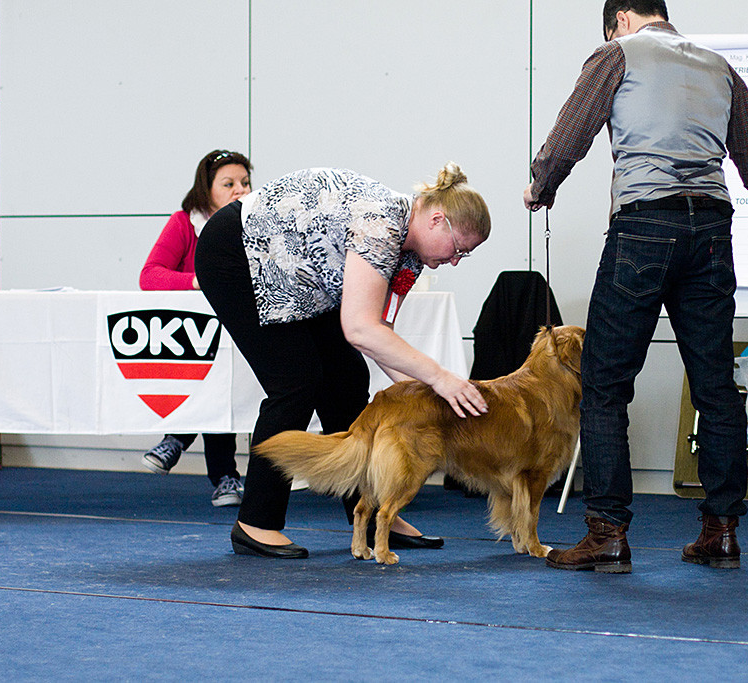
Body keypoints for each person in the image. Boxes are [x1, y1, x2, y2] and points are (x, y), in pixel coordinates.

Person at [525, 0, 748, 573]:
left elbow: (570, 133)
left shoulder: (615, 55)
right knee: (714, 385)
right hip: (711, 231)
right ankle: (721, 532)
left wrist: (541, 184)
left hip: (644, 226)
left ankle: (607, 535)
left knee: (604, 383)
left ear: (621, 18)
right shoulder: (719, 66)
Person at [195, 162, 491, 559]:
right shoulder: (381, 224)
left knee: (346, 380)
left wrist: (433, 390)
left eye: (464, 256)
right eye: (458, 250)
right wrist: (440, 379)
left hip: (296, 273)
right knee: (296, 382)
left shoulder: (412, 250)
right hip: (235, 253)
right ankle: (256, 522)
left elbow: (378, 333)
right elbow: (360, 330)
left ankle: (367, 515)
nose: (455, 260)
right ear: (437, 219)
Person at [139, 149, 253, 507]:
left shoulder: (255, 223)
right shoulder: (183, 223)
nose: (240, 190)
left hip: (239, 329)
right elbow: (150, 276)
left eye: (245, 183)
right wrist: (198, 281)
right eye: (229, 184)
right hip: (192, 333)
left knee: (228, 382)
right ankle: (225, 477)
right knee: (214, 379)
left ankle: (177, 439)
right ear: (207, 190)